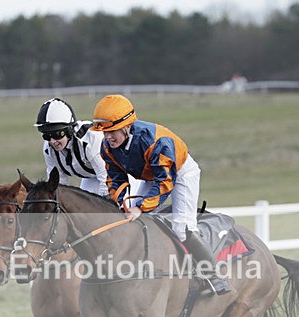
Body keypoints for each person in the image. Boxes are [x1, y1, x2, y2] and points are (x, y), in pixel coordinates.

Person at [91, 94, 231, 296]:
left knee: (182, 228)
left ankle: (214, 276)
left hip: (180, 174)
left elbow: (165, 182)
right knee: (128, 221)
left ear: (126, 126)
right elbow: (115, 180)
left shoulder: (158, 142)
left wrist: (140, 207)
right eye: (104, 133)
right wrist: (122, 204)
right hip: (148, 176)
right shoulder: (107, 148)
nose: (107, 138)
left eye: (111, 132)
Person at [34, 98, 109, 196]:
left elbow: (107, 179)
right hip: (90, 177)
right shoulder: (48, 149)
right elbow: (58, 185)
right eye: (46, 136)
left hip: (120, 175)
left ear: (69, 130)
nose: (53, 141)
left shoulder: (90, 140)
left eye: (57, 134)